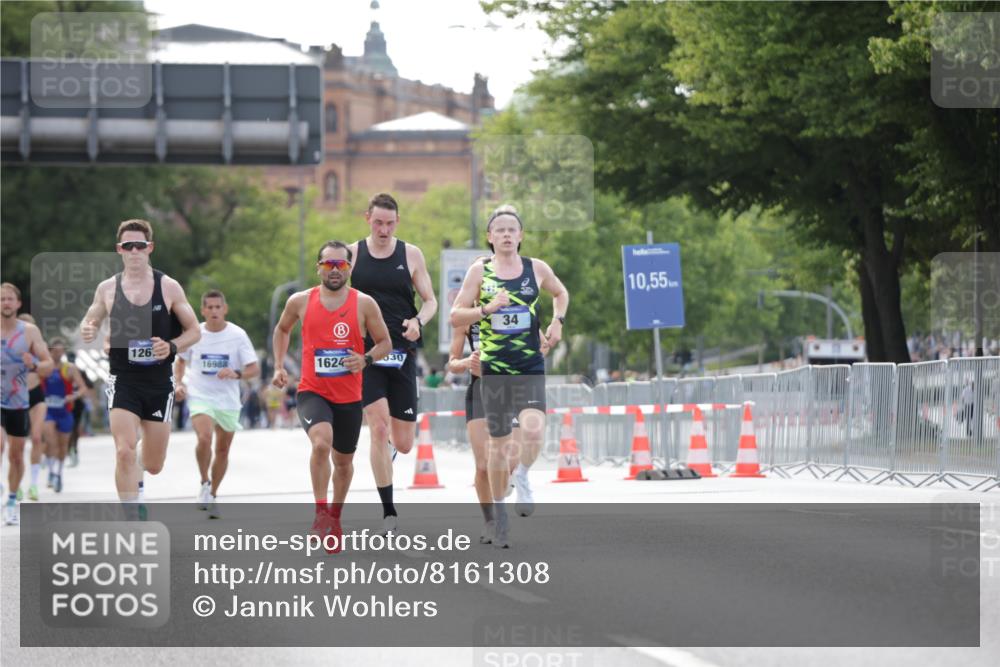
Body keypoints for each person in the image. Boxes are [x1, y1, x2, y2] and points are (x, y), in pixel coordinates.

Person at [450, 205, 569, 548]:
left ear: (520, 236)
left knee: (533, 430)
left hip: (529, 365)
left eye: (511, 229)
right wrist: (486, 309)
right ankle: (498, 516)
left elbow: (561, 294)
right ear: (490, 237)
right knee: (496, 453)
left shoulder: (536, 269)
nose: (505, 234)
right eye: (499, 229)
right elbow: (457, 315)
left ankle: (525, 475)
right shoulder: (479, 272)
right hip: (494, 373)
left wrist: (556, 322)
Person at [272, 241, 391, 552]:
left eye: (341, 265)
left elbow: (384, 343)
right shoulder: (300, 301)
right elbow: (282, 329)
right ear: (318, 268)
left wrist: (365, 360)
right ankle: (320, 511)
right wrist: (278, 365)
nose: (335, 270)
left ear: (350, 269)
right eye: (329, 265)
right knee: (321, 442)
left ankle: (335, 518)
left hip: (350, 397)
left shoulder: (364, 304)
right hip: (313, 391)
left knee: (343, 462)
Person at [80, 219, 200, 510]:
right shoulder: (107, 288)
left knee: (154, 464)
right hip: (124, 379)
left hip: (159, 383)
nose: (134, 251)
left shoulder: (168, 286)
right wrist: (89, 328)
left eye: (140, 245)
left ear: (150, 248)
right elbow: (92, 317)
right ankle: (131, 519)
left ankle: (138, 468)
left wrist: (171, 346)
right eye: (128, 246)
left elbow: (195, 331)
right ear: (119, 249)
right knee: (123, 450)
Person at [348, 193, 437, 535]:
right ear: (367, 218)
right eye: (378, 223)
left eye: (389, 223)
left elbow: (430, 301)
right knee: (378, 427)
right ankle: (389, 511)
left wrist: (418, 321)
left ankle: (388, 453)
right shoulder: (353, 254)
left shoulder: (411, 254)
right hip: (367, 353)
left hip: (402, 352)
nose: (383, 230)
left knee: (402, 442)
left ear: (397, 222)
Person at [174, 289, 259, 519]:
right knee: (204, 438)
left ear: (225, 309)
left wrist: (236, 372)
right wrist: (179, 383)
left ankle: (212, 494)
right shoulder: (194, 333)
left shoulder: (238, 335)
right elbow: (180, 361)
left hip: (228, 400)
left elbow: (254, 369)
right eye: (209, 307)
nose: (213, 311)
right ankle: (204, 481)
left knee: (222, 450)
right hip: (200, 395)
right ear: (202, 310)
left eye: (217, 307)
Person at [447, 315, 527, 544]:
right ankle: (491, 522)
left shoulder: (515, 305)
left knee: (510, 460)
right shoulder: (465, 315)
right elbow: (452, 363)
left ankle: (505, 485)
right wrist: (466, 363)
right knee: (483, 465)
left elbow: (539, 345)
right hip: (480, 391)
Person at [1, 283, 54, 524]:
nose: (6, 303)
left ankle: (12, 500)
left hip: (19, 401)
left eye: (10, 299)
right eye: (2, 299)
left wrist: (33, 364)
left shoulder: (29, 332)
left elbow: (48, 366)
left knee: (16, 455)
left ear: (18, 303)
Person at [40, 338, 86, 494]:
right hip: (48, 411)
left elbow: (82, 388)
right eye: (55, 351)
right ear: (49, 351)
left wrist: (72, 397)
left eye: (60, 351)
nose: (58, 354)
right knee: (51, 441)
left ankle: (59, 473)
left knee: (63, 445)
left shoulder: (69, 369)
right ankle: (51, 473)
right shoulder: (44, 368)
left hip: (65, 411)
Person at [17, 314, 49, 501]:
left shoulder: (39, 348)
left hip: (36, 394)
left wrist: (35, 364)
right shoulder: (8, 346)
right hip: (15, 397)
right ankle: (18, 483)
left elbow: (48, 368)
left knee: (36, 438)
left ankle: (34, 485)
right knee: (17, 444)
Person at [66, 351, 95, 467]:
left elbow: (90, 385)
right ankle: (68, 451)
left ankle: (74, 451)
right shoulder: (63, 370)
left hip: (77, 403)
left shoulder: (81, 372)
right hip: (66, 402)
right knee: (66, 429)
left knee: (74, 427)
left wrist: (81, 394)